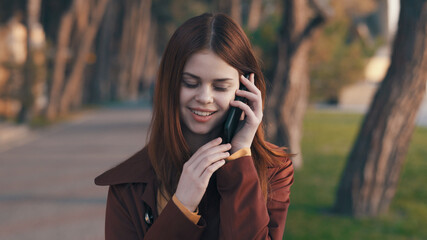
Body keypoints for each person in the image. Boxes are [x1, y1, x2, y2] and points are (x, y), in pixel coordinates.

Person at [95, 12, 294, 240]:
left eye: (220, 87)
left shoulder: (273, 171)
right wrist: (182, 206)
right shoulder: (129, 186)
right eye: (190, 83)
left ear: (246, 91)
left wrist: (239, 160)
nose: (204, 97)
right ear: (169, 84)